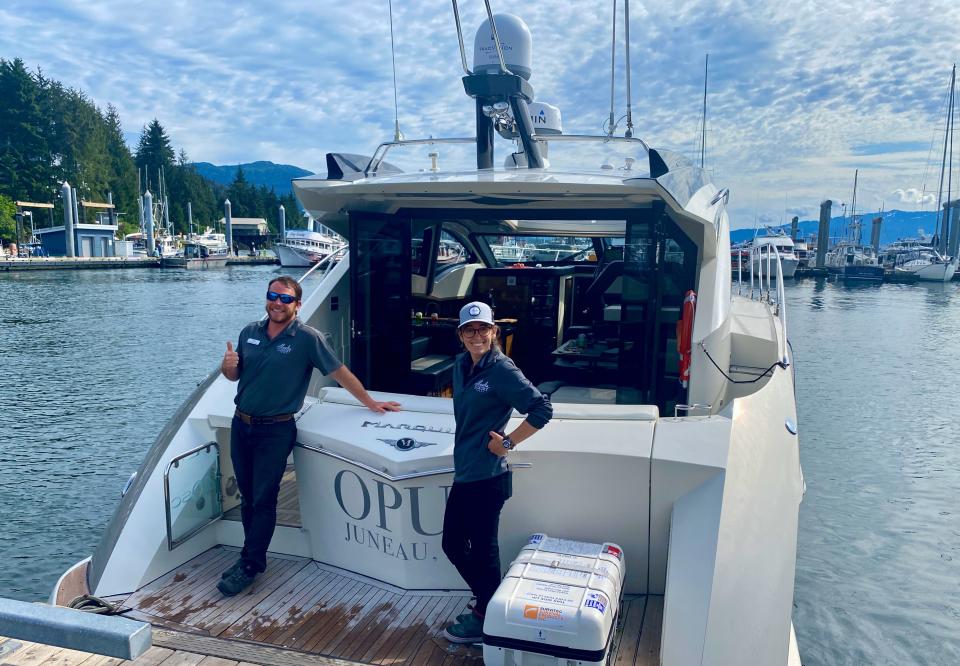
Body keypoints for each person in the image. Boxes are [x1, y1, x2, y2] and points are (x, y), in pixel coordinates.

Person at [218, 275, 401, 596]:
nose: (278, 302)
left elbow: (339, 372)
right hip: (241, 424)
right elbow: (235, 376)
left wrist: (370, 402)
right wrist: (227, 366)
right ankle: (251, 555)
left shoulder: (306, 338)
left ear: (297, 305)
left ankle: (250, 563)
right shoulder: (249, 332)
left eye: (286, 299)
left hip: (275, 429)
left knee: (263, 499)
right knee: (248, 497)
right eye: (273, 296)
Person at [441, 301, 552, 643]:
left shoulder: (502, 370)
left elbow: (541, 408)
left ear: (494, 332)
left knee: (482, 549)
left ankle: (486, 614)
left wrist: (508, 442)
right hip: (466, 472)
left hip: (488, 477)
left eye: (483, 329)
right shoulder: (461, 365)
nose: (477, 335)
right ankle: (490, 603)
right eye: (469, 330)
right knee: (453, 545)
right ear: (461, 335)